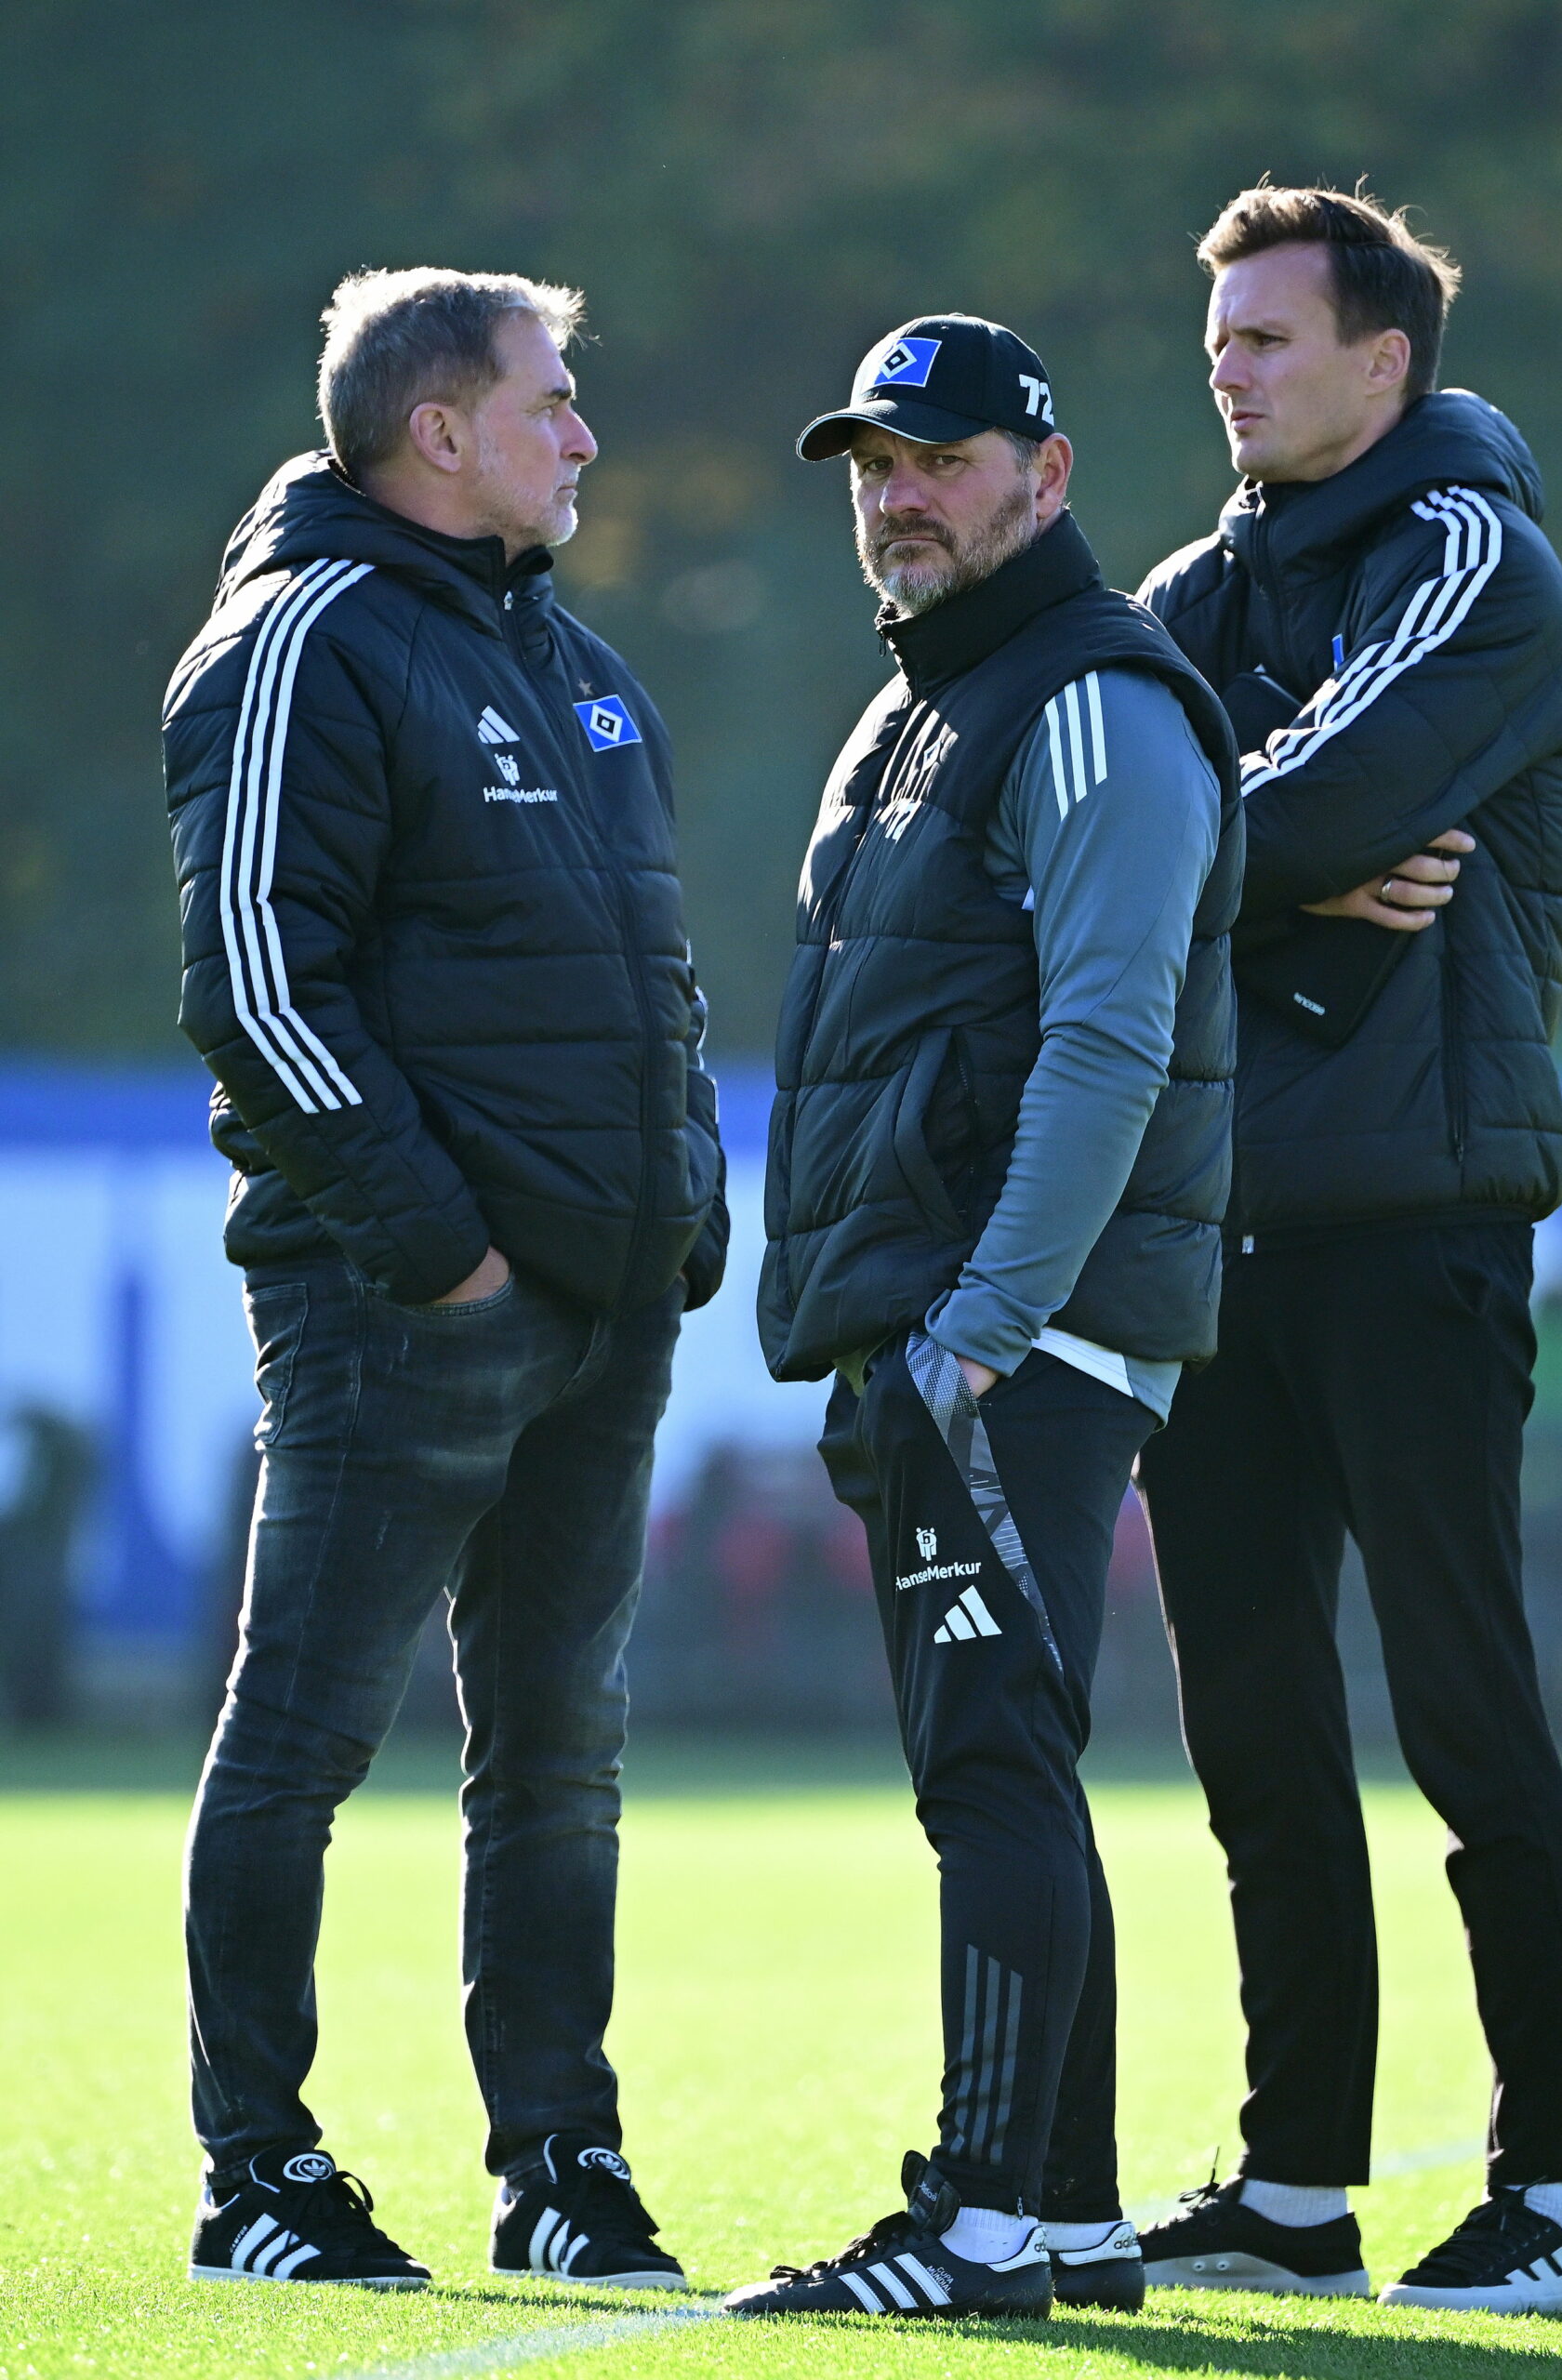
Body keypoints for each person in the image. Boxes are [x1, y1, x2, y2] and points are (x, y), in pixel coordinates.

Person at [164, 268, 726, 2290]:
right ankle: (263, 2173)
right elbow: (252, 981)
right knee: (306, 1730)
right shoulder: (302, 635)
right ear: (437, 430)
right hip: (400, 1304)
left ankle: (558, 2160)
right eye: (551, 401)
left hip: (602, 1306)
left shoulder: (569, 658)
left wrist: (682, 1218)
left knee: (558, 1744)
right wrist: (447, 1255)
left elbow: (652, 975)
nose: (581, 435)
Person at [724, 316, 1240, 2322]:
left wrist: (975, 1325)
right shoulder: (926, 702)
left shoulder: (1089, 698)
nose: (894, 494)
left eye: (935, 458)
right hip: (942, 1318)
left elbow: (1108, 1044)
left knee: (989, 1770)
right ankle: (1075, 2210)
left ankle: (982, 2217)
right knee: (1011, 1748)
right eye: (868, 462)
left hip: (1008, 1327)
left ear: (1044, 467)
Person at [1132, 187, 1562, 2317]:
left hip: (1414, 1211)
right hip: (1213, 1226)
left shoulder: (1468, 554)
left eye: (1262, 335)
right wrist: (1272, 853)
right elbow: (1068, 851)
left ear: (1378, 362)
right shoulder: (1180, 589)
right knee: (1247, 1727)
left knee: (1461, 1708)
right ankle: (1294, 2181)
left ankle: (1537, 2199)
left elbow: (1267, 825)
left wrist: (1238, 848)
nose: (1221, 364)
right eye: (1214, 334)